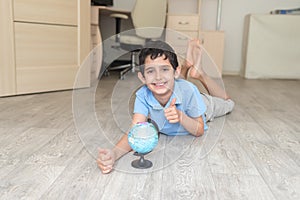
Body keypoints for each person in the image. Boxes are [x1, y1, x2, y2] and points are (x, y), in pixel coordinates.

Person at [97, 40, 234, 174]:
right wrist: (114, 154)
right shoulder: (142, 95)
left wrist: (181, 116)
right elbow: (134, 131)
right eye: (150, 71)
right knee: (169, 84)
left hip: (203, 105)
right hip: (179, 87)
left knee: (228, 102)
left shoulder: (190, 91)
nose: (157, 76)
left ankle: (200, 74)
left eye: (164, 69)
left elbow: (199, 130)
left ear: (175, 71)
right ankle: (186, 66)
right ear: (142, 77)